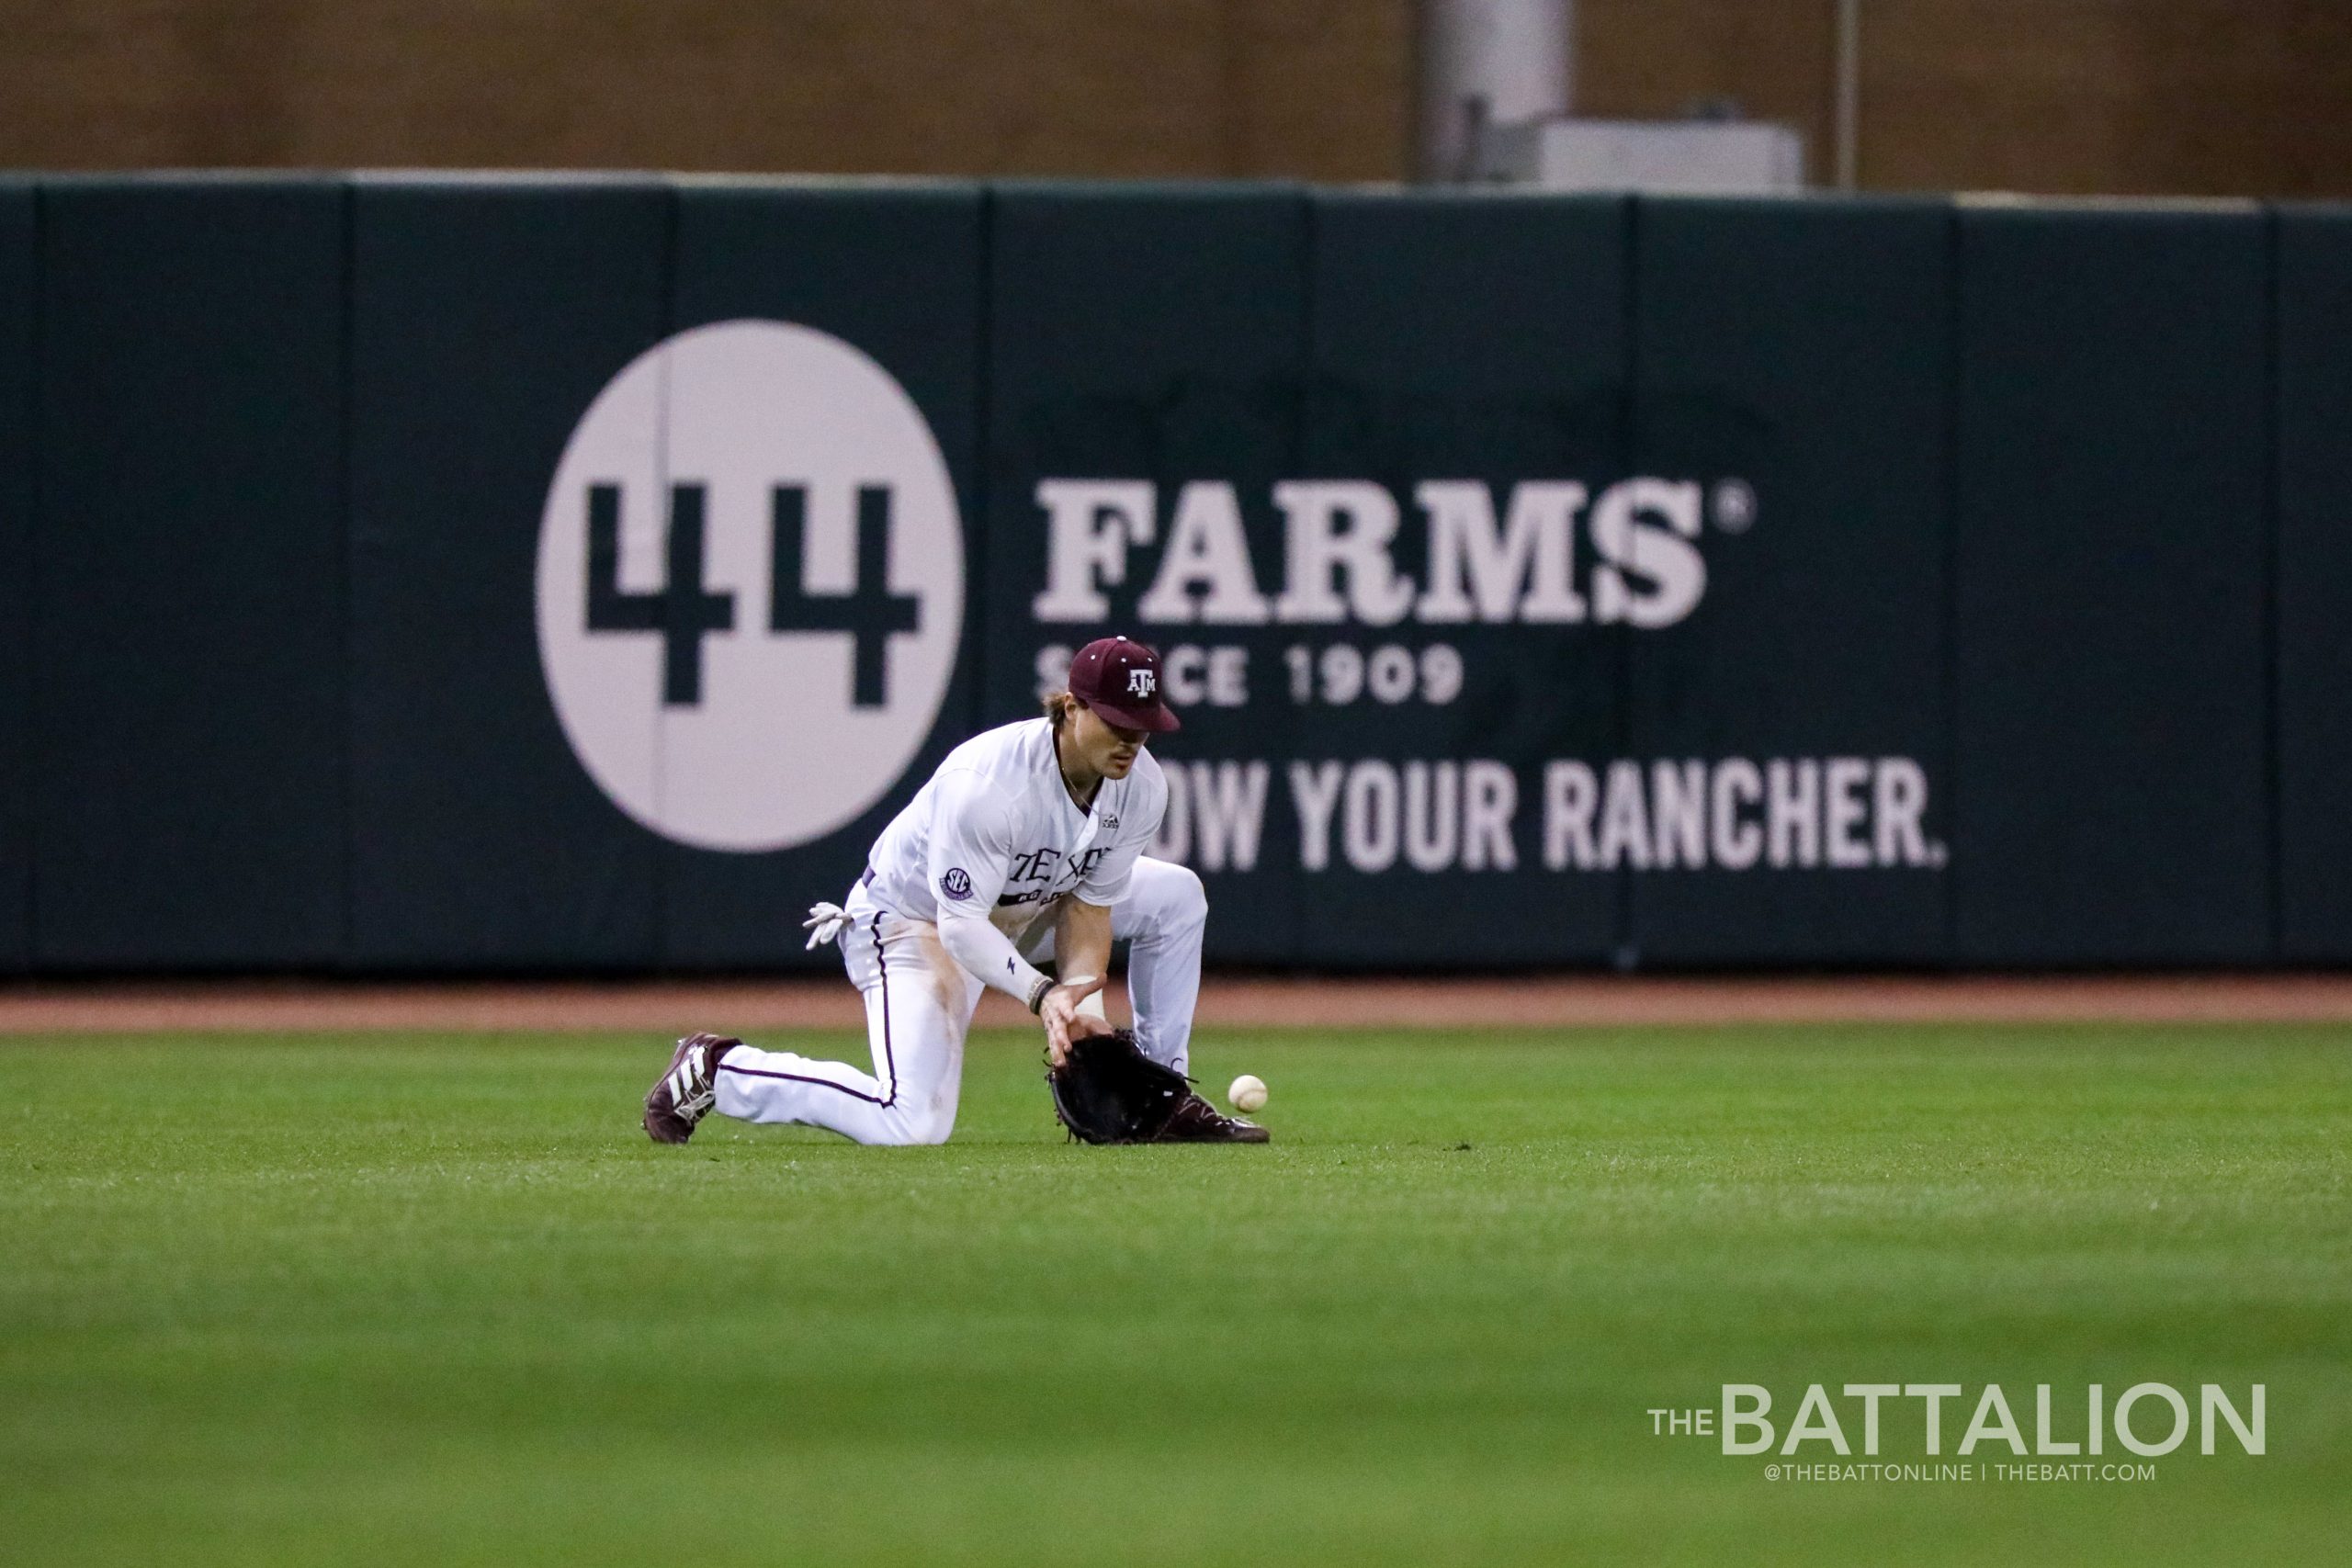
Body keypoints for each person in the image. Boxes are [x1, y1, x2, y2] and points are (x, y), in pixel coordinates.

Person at [642, 636, 1267, 1146]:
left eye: (1144, 724)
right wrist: (1042, 994)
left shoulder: (1140, 785)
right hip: (916, 925)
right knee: (910, 1120)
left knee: (1177, 897)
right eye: (1117, 722)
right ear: (1072, 708)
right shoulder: (990, 786)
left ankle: (1164, 1094)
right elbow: (962, 924)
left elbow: (1089, 904)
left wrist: (1080, 996)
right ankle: (719, 1070)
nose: (1132, 739)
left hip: (1030, 906)